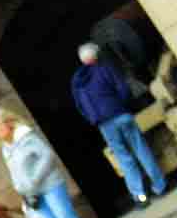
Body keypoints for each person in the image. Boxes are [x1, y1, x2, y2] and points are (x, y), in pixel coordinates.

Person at [0, 104, 105, 218]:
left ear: (8, 122)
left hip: (51, 184)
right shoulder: (5, 149)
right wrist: (21, 189)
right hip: (33, 194)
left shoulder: (26, 136)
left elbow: (47, 156)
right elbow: (14, 173)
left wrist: (35, 179)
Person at [69, 40, 168, 207]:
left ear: (82, 60)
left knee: (124, 159)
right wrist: (121, 105)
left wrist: (93, 119)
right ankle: (159, 187)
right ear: (96, 55)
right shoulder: (105, 67)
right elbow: (122, 87)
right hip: (121, 115)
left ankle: (140, 197)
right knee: (140, 149)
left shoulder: (77, 82)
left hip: (104, 124)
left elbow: (80, 106)